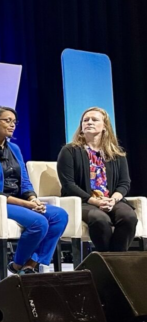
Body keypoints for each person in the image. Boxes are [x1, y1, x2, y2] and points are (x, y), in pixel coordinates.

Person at [0, 107, 67, 274]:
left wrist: (33, 199)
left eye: (14, 122)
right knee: (39, 222)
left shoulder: (14, 149)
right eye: (7, 121)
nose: (12, 125)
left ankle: (29, 264)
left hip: (17, 200)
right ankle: (19, 264)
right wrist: (26, 205)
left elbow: (24, 181)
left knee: (59, 215)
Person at [57, 107, 138, 252]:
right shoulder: (69, 151)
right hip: (83, 201)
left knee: (128, 217)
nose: (89, 122)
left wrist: (113, 200)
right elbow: (68, 184)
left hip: (110, 199)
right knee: (100, 219)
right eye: (85, 120)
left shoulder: (116, 153)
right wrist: (96, 201)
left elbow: (124, 183)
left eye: (94, 120)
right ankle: (106, 261)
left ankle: (115, 261)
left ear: (105, 126)